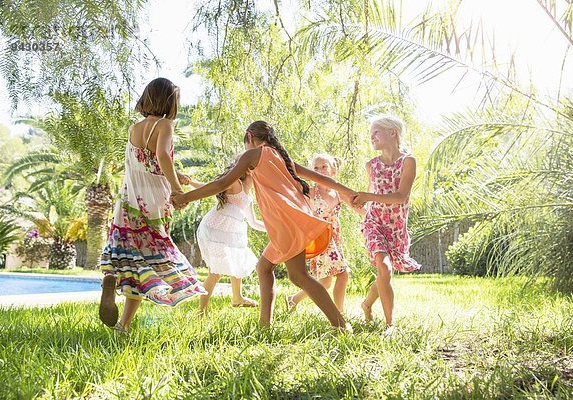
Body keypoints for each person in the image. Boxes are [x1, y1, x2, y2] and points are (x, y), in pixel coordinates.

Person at [172, 121, 356, 330]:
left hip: (287, 221)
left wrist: (186, 196)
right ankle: (264, 326)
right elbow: (319, 177)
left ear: (250, 137)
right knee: (264, 267)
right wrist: (350, 192)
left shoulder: (253, 155)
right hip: (290, 220)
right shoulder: (280, 158)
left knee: (299, 276)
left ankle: (340, 325)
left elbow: (221, 183)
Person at [98, 77, 206, 335]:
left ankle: (113, 287)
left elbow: (146, 164)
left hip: (129, 200)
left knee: (132, 257)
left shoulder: (134, 128)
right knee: (151, 259)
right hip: (154, 202)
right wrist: (177, 190)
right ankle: (123, 324)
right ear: (170, 102)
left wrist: (174, 176)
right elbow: (161, 157)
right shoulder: (165, 125)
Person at [352, 116, 422, 335]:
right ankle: (390, 325)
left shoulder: (408, 161)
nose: (371, 137)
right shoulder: (371, 165)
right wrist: (360, 205)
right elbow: (371, 197)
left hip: (396, 226)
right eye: (370, 134)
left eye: (376, 132)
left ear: (392, 132)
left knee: (384, 273)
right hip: (374, 222)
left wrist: (367, 195)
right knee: (384, 267)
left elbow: (401, 197)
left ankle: (366, 304)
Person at [196, 157, 267, 315]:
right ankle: (202, 311)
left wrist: (273, 229)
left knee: (237, 261)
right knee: (215, 273)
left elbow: (253, 222)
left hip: (232, 233)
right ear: (249, 171)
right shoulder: (235, 183)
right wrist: (191, 183)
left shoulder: (248, 196)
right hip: (215, 230)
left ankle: (237, 298)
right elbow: (210, 187)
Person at [285, 153, 353, 313]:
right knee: (342, 275)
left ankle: (293, 300)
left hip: (334, 239)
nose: (320, 170)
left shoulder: (338, 193)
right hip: (320, 239)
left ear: (333, 171)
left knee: (325, 282)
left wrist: (371, 214)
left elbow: (357, 205)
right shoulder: (310, 192)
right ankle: (340, 313)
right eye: (316, 168)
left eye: (324, 167)